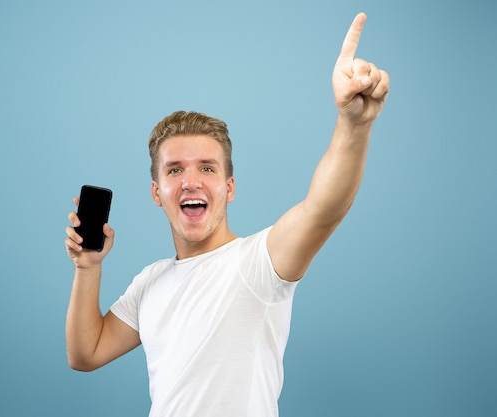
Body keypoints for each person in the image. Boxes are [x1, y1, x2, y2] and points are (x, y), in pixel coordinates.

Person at [64, 12, 389, 417]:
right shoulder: (150, 282)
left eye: (207, 168)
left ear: (229, 188)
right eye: (174, 170)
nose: (191, 181)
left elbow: (323, 209)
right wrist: (87, 267)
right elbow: (86, 352)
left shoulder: (261, 263)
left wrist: (353, 125)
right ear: (156, 192)